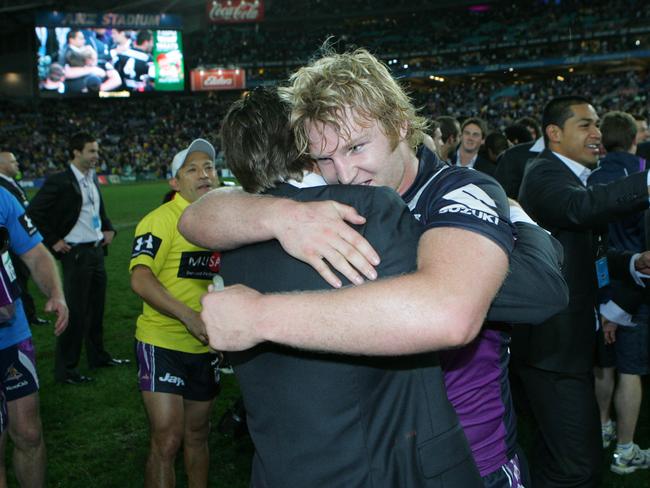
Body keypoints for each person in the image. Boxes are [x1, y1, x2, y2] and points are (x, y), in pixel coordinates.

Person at [180, 49, 568, 487]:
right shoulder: (333, 198)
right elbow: (197, 216)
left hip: (472, 458)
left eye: (356, 147)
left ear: (399, 123)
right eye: (324, 158)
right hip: (384, 460)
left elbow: (458, 310)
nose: (344, 172)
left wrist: (258, 316)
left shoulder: (456, 192)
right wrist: (279, 215)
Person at [213, 86, 482, 487]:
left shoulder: (229, 237)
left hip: (282, 468)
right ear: (306, 139)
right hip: (378, 469)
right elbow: (450, 303)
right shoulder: (368, 208)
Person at [514, 96, 650, 487]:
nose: (597, 134)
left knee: (556, 453)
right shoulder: (543, 174)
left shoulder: (568, 175)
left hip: (562, 347)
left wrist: (631, 261)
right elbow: (581, 209)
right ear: (554, 134)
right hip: (552, 352)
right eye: (586, 125)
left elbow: (585, 246)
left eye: (598, 125)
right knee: (579, 467)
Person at [130, 139, 221, 488]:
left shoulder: (223, 222)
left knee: (198, 434)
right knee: (167, 439)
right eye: (192, 169)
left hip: (206, 347)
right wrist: (187, 316)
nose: (204, 174)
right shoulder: (160, 221)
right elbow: (140, 279)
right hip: (162, 342)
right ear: (175, 182)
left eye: (209, 167)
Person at [27, 132, 127, 385]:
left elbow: (98, 210)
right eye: (91, 151)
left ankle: (98, 356)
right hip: (77, 254)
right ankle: (66, 370)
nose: (96, 156)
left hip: (95, 251)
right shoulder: (60, 181)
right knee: (76, 313)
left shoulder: (90, 178)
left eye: (96, 151)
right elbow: (33, 213)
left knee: (97, 309)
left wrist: (108, 227)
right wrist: (53, 240)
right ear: (76, 152)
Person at [588, 111, 650, 475]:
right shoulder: (642, 178)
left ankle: (602, 428)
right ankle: (624, 450)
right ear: (633, 139)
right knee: (630, 369)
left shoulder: (589, 176)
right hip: (636, 287)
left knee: (602, 364)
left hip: (599, 285)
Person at [0, 186, 68, 488]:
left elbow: (34, 252)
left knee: (29, 432)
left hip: (13, 335)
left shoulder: (2, 198)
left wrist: (56, 293)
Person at [0, 152, 48, 326]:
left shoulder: (11, 183)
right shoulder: (2, 187)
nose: (17, 164)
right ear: (2, 165)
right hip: (12, 246)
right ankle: (26, 316)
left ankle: (28, 315)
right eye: (13, 162)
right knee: (17, 282)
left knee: (23, 281)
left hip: (23, 239)